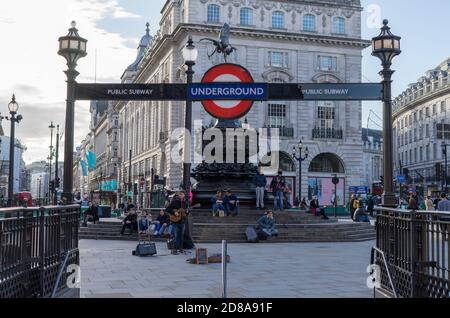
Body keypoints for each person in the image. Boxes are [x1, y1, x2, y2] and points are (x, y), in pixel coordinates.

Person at [165, 190, 189, 255]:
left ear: (184, 195)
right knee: (176, 236)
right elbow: (167, 209)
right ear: (178, 195)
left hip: (182, 221)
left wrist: (187, 213)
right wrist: (174, 212)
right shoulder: (175, 202)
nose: (181, 195)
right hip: (175, 221)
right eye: (180, 194)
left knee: (181, 236)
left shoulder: (185, 203)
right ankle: (174, 250)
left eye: (182, 194)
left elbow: (186, 214)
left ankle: (181, 249)